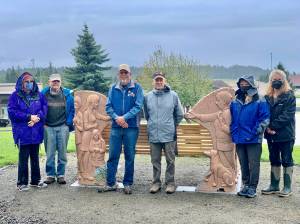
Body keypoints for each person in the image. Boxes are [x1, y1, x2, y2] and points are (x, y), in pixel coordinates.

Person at [104, 64, 144, 194]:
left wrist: (124, 118)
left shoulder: (137, 88)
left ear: (130, 74)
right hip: (116, 127)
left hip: (131, 128)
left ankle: (127, 183)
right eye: (121, 73)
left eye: (126, 73)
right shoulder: (112, 88)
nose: (123, 75)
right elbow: (108, 107)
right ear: (118, 75)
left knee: (129, 156)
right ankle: (110, 183)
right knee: (113, 155)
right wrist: (117, 118)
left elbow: (138, 106)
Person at [230, 75, 270, 198]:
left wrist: (255, 132)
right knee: (243, 163)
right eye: (241, 83)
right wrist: (233, 131)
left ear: (251, 84)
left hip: (253, 138)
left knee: (254, 164)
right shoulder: (235, 101)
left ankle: (252, 187)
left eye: (245, 83)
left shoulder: (260, 100)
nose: (243, 85)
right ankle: (245, 185)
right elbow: (231, 118)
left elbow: (265, 118)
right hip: (239, 138)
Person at [144, 72, 184, 194]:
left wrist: (171, 125)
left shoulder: (173, 95)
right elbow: (147, 115)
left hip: (169, 134)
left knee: (170, 160)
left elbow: (180, 114)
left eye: (161, 80)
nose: (159, 82)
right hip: (153, 134)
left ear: (165, 81)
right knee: (155, 160)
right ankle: (156, 183)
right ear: (153, 82)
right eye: (157, 80)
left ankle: (170, 183)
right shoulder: (147, 97)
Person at [8, 72, 48, 191]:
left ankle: (35, 181)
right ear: (22, 83)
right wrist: (28, 117)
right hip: (22, 131)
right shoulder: (15, 96)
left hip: (36, 130)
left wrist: (37, 119)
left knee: (35, 156)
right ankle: (22, 183)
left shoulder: (39, 95)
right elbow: (12, 112)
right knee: (23, 158)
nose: (29, 84)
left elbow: (44, 108)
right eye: (27, 81)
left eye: (31, 81)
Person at [262, 69, 296, 197]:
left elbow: (287, 115)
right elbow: (264, 114)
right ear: (270, 81)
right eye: (273, 79)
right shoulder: (267, 97)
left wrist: (273, 126)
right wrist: (267, 127)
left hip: (285, 135)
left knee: (287, 160)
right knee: (274, 159)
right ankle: (274, 185)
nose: (276, 81)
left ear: (284, 80)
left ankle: (287, 187)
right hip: (271, 135)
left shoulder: (289, 96)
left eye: (279, 79)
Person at [41, 73, 75, 185]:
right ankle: (50, 175)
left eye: (57, 81)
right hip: (48, 126)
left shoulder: (68, 95)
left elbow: (72, 110)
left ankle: (61, 175)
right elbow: (38, 108)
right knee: (50, 152)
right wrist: (43, 122)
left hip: (63, 126)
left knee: (62, 152)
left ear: (61, 83)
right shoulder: (43, 94)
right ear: (49, 82)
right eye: (53, 81)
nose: (55, 83)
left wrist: (68, 122)